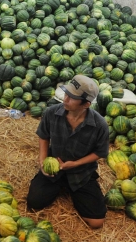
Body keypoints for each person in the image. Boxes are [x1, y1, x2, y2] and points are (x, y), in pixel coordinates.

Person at [26, 75, 109, 229]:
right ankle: (60, 185)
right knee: (34, 203)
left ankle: (70, 187)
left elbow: (100, 152)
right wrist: (42, 160)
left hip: (81, 172)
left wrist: (75, 164)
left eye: (72, 97)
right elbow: (44, 136)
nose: (65, 99)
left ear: (86, 104)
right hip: (54, 167)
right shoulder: (51, 113)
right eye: (66, 94)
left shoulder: (100, 125)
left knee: (96, 222)